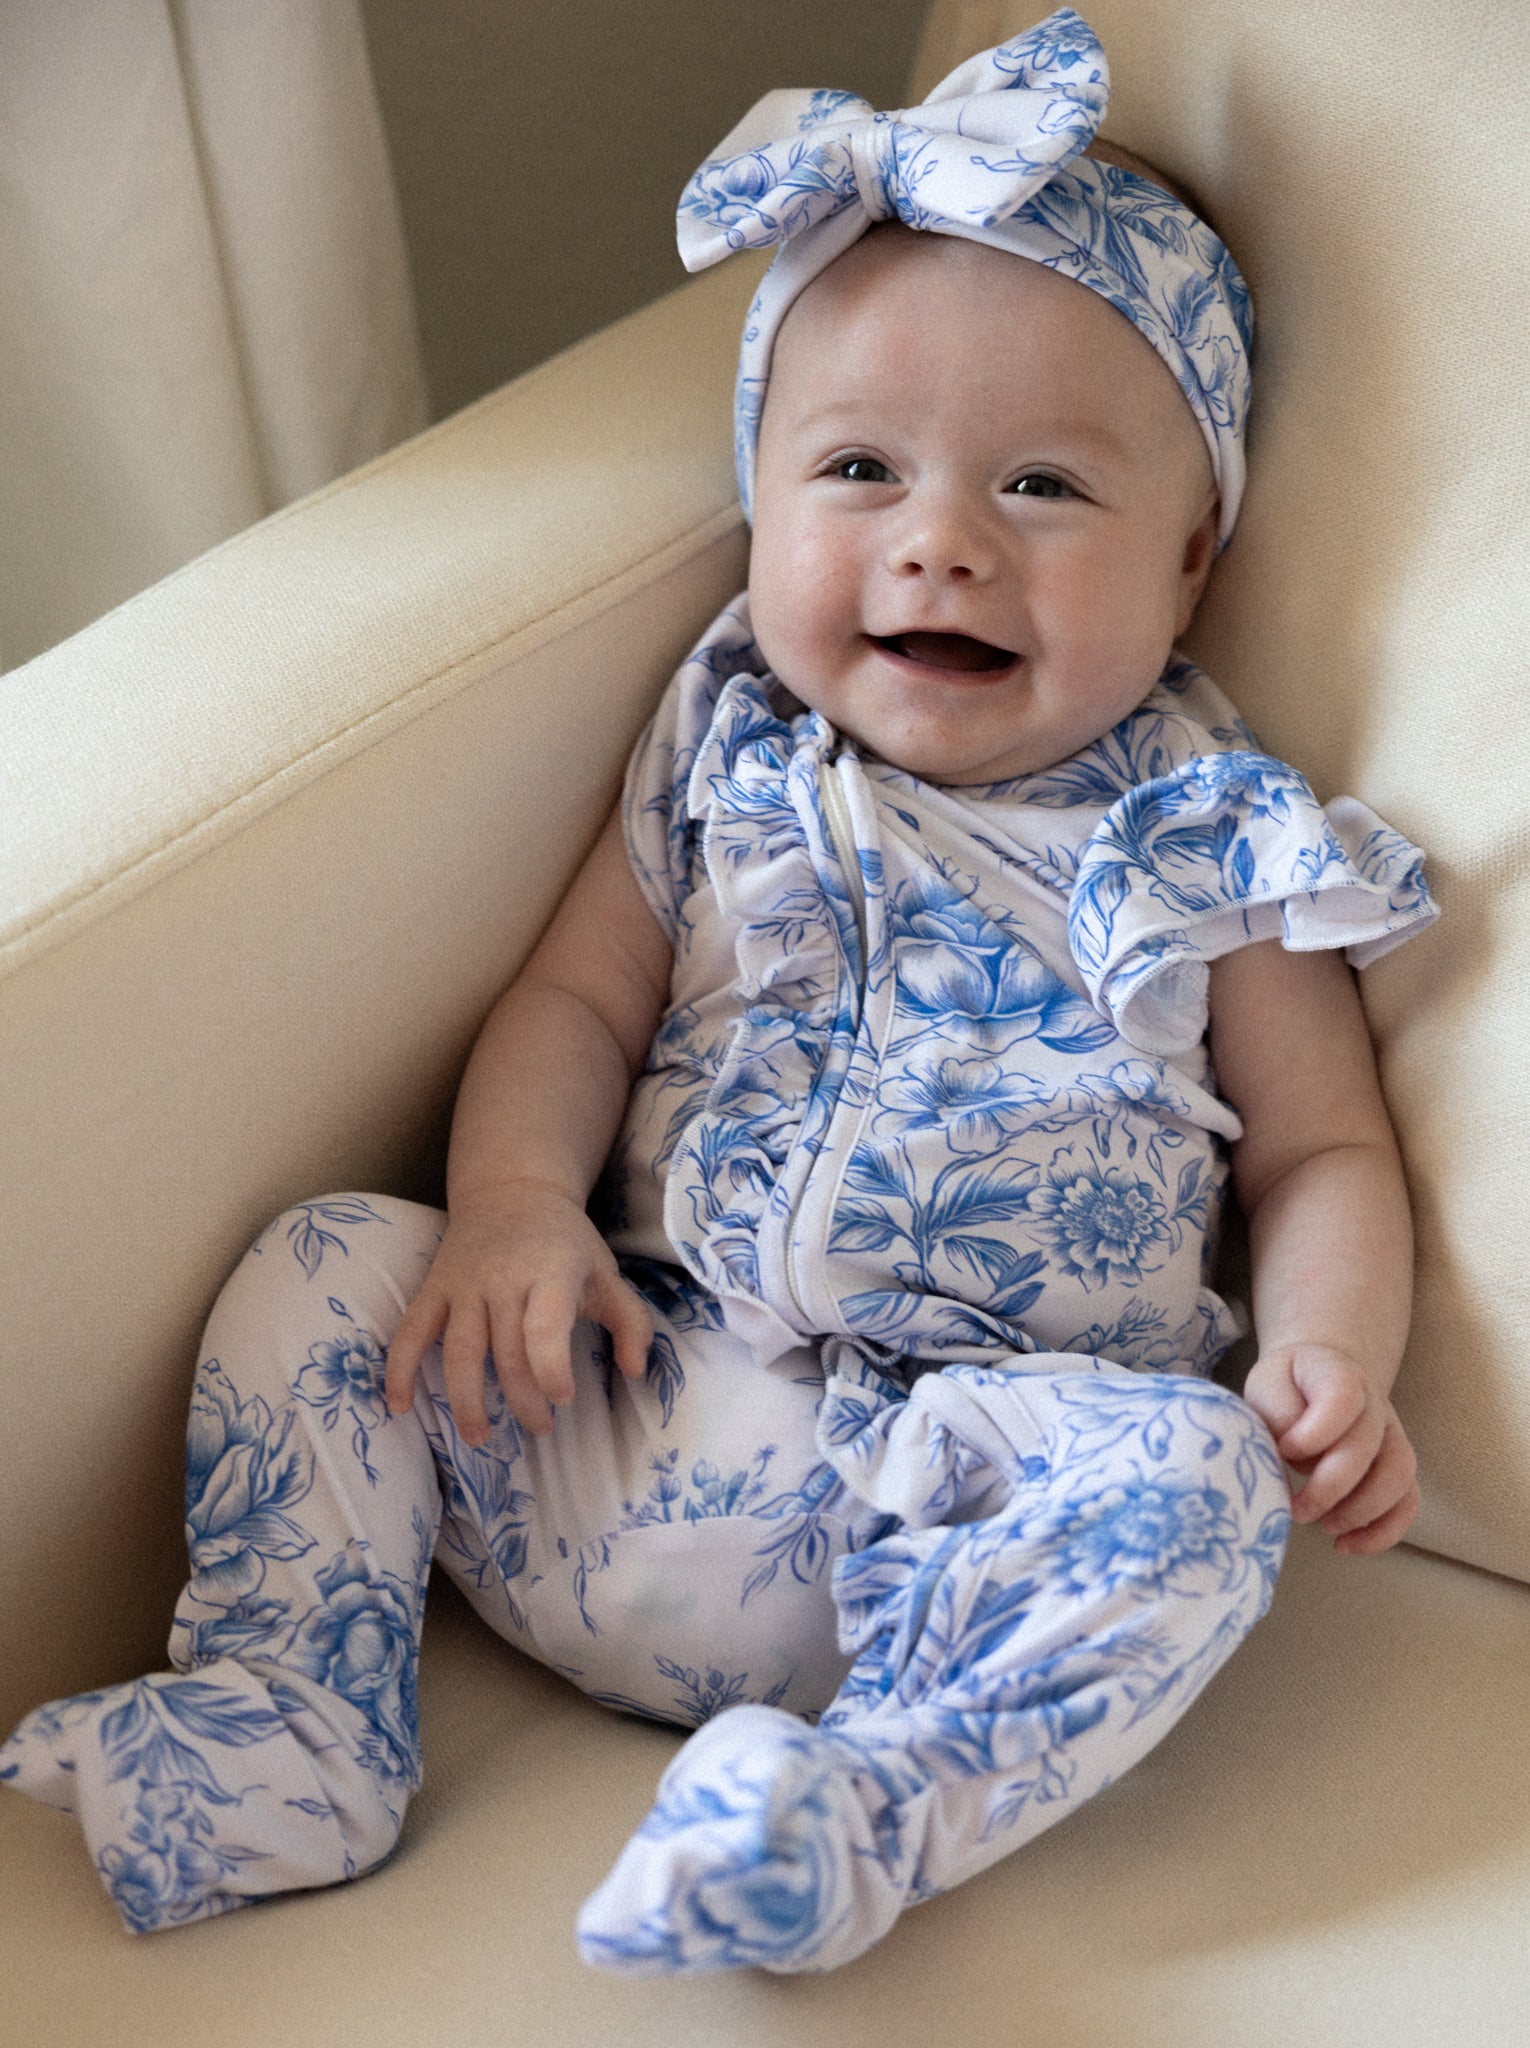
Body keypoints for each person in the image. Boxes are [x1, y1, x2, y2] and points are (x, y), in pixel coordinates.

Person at [2, 8, 1436, 1974]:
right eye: (860, 467)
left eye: (1042, 488)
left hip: (958, 1516)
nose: (942, 537)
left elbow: (1328, 1148)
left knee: (1199, 1490)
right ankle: (297, 1712)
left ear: (1191, 560)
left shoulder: (1212, 829)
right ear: (760, 503)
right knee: (333, 1254)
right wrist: (510, 1207)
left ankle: (862, 1810)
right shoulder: (723, 739)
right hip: (635, 1406)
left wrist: (1335, 1360)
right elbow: (580, 1007)